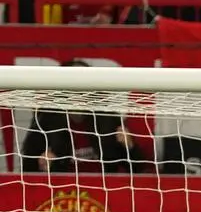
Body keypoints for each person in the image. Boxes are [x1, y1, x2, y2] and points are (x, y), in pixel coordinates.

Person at [20, 60, 148, 174]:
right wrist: (41, 165)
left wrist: (130, 147)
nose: (78, 92)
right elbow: (27, 169)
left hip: (104, 192)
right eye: (73, 86)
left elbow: (138, 168)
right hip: (62, 193)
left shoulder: (107, 118)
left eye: (82, 86)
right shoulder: (45, 120)